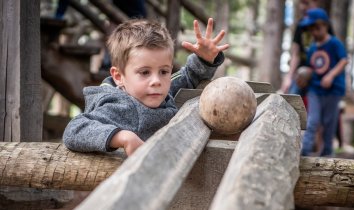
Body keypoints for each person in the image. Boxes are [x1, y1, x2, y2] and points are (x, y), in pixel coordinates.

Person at [63, 18, 229, 156]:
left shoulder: (155, 91)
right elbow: (74, 129)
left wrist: (205, 59)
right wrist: (122, 137)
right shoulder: (122, 107)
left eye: (164, 71)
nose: (156, 81)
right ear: (119, 77)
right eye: (144, 72)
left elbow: (189, 76)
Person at [299, 9, 348, 156]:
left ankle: (327, 153)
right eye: (311, 29)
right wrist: (304, 74)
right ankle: (304, 152)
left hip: (333, 91)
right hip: (315, 89)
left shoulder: (334, 43)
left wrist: (331, 76)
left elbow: (344, 60)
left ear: (325, 26)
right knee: (312, 120)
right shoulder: (313, 47)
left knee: (329, 123)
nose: (314, 32)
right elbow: (312, 67)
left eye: (317, 28)